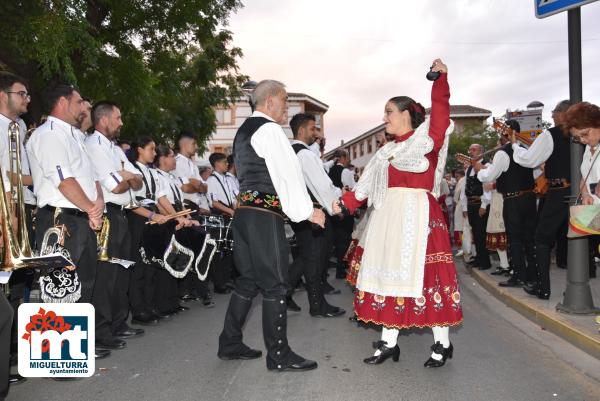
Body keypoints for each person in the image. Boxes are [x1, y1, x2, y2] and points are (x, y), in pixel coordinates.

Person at [341, 59, 462, 367]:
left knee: (427, 280)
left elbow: (441, 110)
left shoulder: (427, 139)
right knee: (389, 279)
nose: (385, 118)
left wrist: (440, 80)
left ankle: (442, 344)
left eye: (389, 112)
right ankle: (388, 343)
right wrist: (340, 205)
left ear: (407, 114)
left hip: (420, 217)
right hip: (388, 219)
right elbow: (363, 189)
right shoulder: (384, 151)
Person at [218, 79, 325, 372]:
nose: (287, 107)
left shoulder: (244, 131)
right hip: (264, 215)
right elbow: (287, 175)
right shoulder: (269, 130)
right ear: (270, 102)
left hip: (243, 215)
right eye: (285, 100)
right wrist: (307, 212)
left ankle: (229, 343)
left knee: (248, 280)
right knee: (276, 284)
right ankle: (278, 355)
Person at [85, 100, 145, 348]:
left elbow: (138, 181)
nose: (121, 123)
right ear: (104, 119)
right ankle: (101, 331)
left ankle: (119, 323)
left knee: (122, 272)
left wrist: (127, 176)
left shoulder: (115, 149)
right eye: (118, 117)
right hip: (107, 212)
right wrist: (126, 177)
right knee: (106, 275)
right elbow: (115, 186)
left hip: (122, 213)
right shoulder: (94, 146)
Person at [511, 100, 574, 299]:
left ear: (564, 113)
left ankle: (542, 287)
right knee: (580, 238)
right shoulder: (580, 133)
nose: (552, 116)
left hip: (558, 192)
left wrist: (515, 146)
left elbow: (529, 160)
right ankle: (582, 281)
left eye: (555, 112)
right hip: (579, 192)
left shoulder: (551, 134)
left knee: (542, 239)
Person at [287, 112, 345, 318]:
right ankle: (317, 305)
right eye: (312, 129)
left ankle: (288, 293)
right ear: (301, 130)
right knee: (315, 260)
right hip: (314, 212)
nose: (316, 133)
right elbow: (322, 185)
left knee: (307, 257)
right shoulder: (303, 154)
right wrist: (336, 207)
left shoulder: (292, 152)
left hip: (302, 213)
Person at [475, 120, 537, 289]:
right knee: (529, 239)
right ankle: (533, 275)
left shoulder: (502, 153)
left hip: (513, 200)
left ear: (504, 133)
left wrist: (479, 169)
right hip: (530, 198)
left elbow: (489, 176)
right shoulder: (525, 151)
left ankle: (519, 276)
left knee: (515, 240)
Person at [564, 101, 600, 278]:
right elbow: (583, 176)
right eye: (578, 138)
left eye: (585, 134)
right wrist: (585, 193)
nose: (583, 140)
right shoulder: (589, 148)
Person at [461, 144, 492, 270]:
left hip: (480, 204)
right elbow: (465, 188)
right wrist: (464, 207)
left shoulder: (487, 165)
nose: (471, 152)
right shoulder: (468, 168)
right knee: (475, 233)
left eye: (474, 150)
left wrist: (484, 205)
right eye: (470, 149)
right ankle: (479, 259)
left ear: (481, 152)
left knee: (481, 233)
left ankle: (485, 262)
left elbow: (488, 186)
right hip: (470, 204)